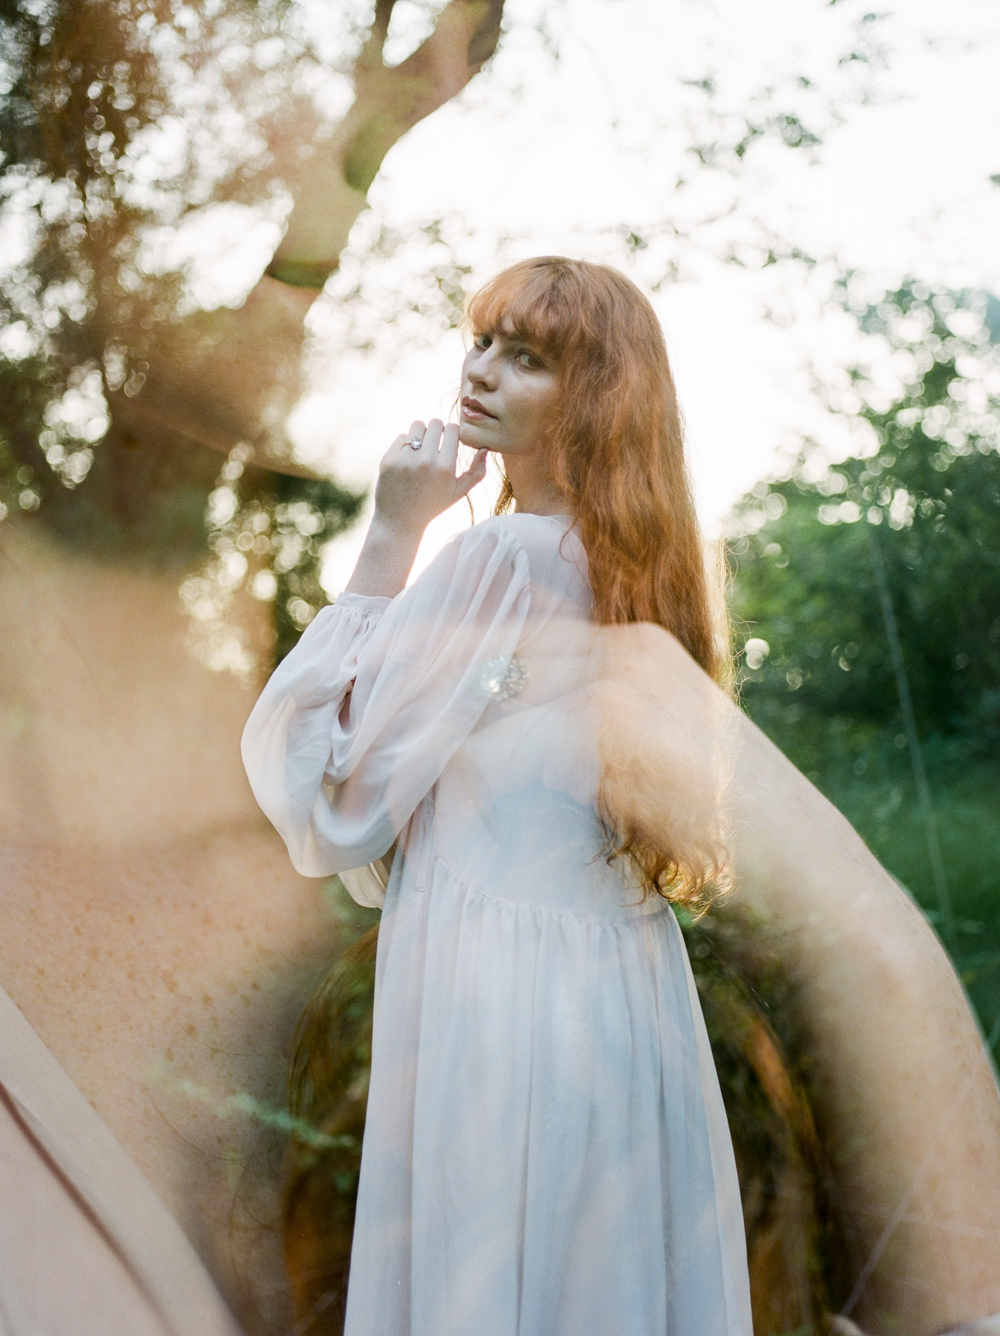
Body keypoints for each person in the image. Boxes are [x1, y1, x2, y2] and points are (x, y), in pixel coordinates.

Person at [242, 256, 755, 1335]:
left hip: (499, 995)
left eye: (526, 358)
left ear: (592, 399)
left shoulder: (503, 559)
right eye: (481, 341)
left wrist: (391, 533)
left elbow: (329, 789)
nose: (479, 371)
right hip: (617, 985)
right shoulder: (623, 569)